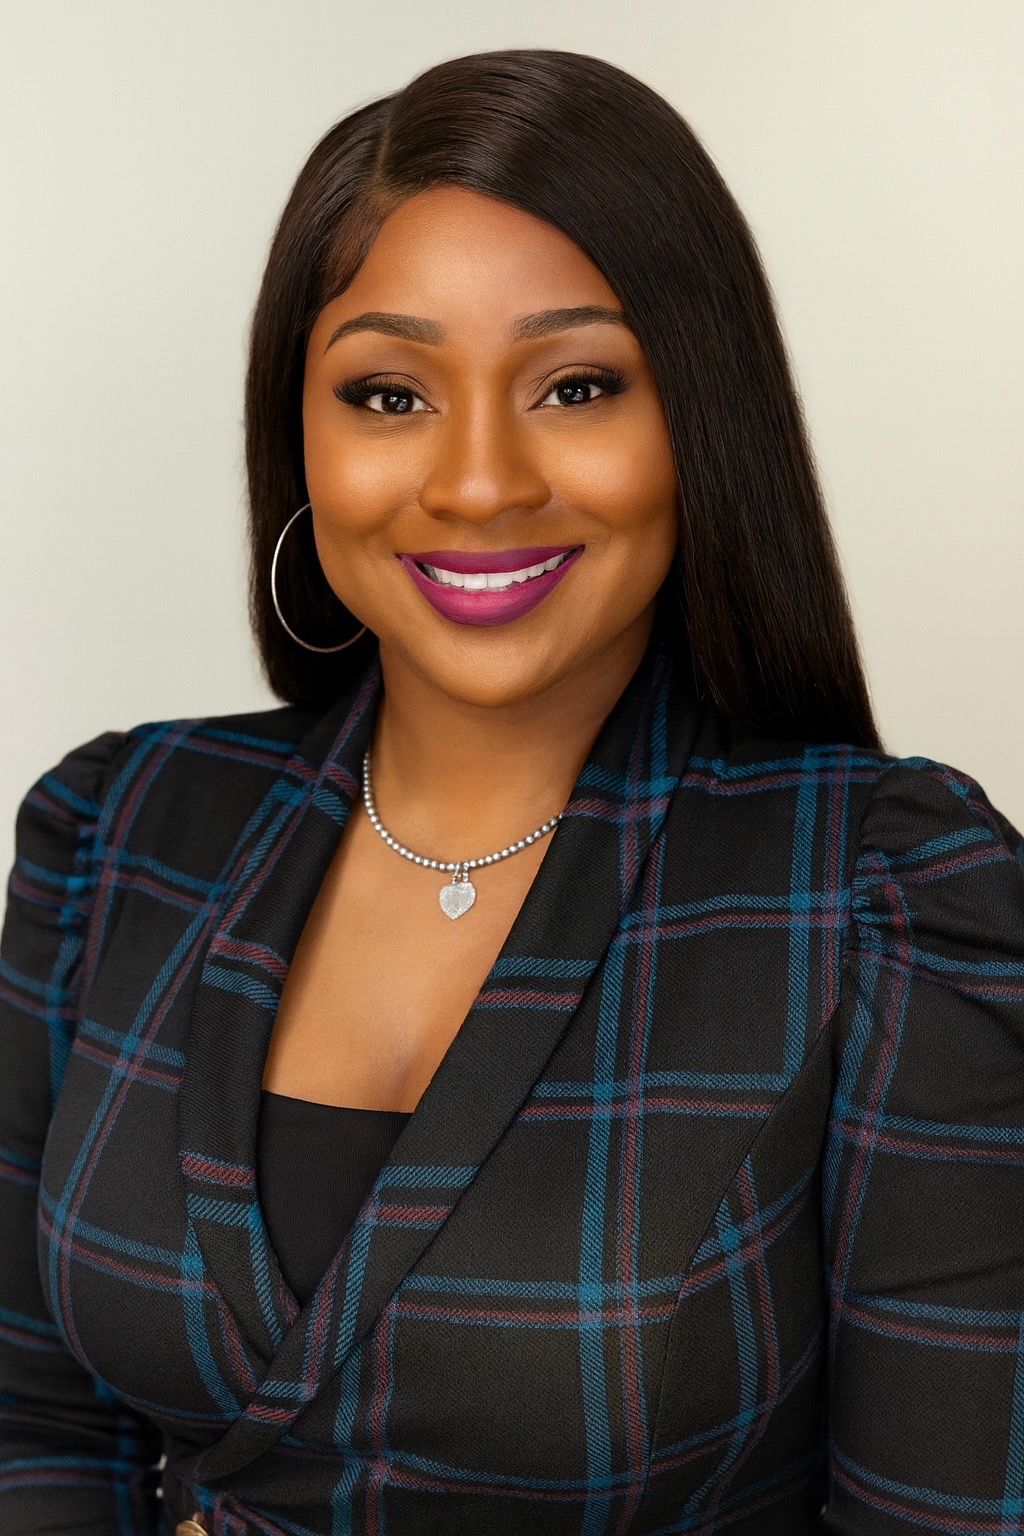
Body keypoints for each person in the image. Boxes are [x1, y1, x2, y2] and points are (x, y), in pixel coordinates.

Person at [1, 47, 1022, 1536]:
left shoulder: (882, 901)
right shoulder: (121, 831)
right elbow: (31, 1412)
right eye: (391, 391)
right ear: (304, 440)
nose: (478, 482)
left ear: (701, 427)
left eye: (578, 384)